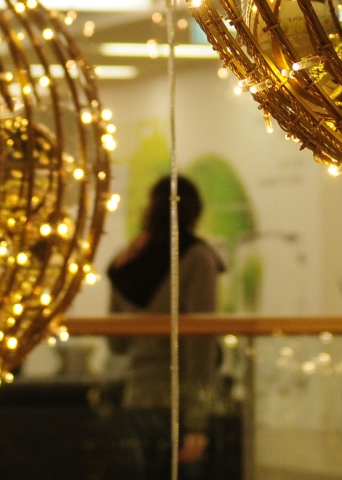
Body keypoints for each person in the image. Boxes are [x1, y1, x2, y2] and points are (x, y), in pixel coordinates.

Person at [108, 175, 224, 479]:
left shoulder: (125, 261)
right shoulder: (197, 258)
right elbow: (201, 344)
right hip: (181, 401)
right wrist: (198, 421)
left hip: (137, 397)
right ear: (195, 213)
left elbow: (116, 343)